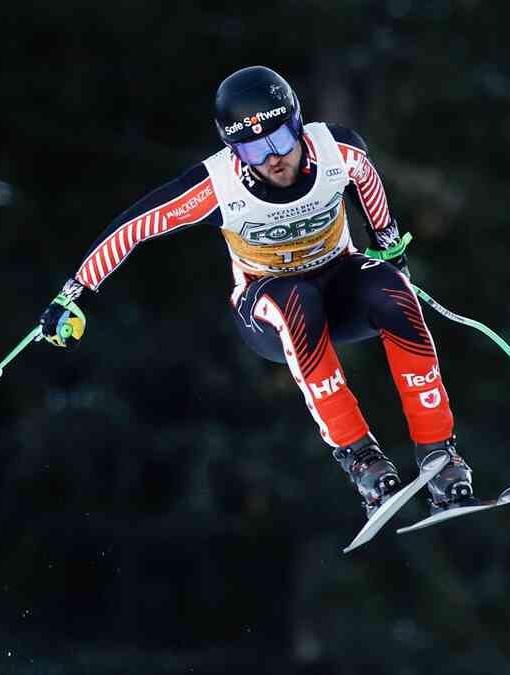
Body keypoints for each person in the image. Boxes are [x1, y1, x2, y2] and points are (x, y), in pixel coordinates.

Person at [38, 66, 475, 519]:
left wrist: (387, 245)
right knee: (296, 302)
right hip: (268, 310)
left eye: (281, 140)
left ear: (298, 125)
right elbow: (134, 227)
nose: (273, 158)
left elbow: (367, 182)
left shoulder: (337, 151)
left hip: (341, 288)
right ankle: (362, 461)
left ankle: (440, 458)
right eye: (253, 148)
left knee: (392, 289)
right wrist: (74, 294)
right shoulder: (217, 186)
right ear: (233, 149)